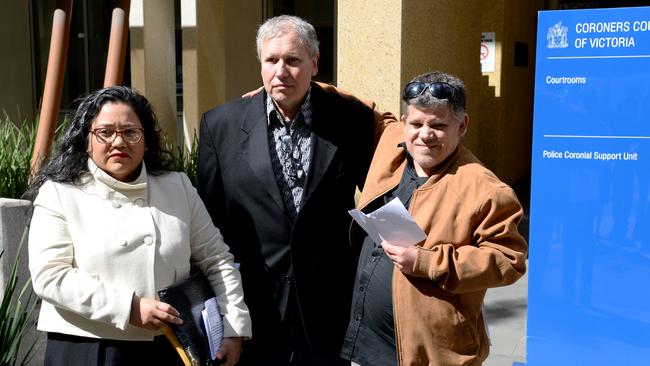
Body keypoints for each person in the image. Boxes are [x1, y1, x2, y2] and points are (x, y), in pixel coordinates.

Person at [197, 15, 381, 365]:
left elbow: (377, 193)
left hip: (328, 307)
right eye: (272, 60)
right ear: (261, 64)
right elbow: (209, 226)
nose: (281, 70)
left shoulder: (351, 119)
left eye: (293, 60)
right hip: (253, 306)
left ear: (314, 62)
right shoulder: (220, 125)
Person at [26, 86, 251, 366]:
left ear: (146, 141)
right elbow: (50, 276)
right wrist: (130, 308)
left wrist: (234, 328)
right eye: (105, 132)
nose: (118, 142)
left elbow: (217, 260)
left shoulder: (177, 186)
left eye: (130, 132)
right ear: (86, 140)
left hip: (171, 346)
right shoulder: (59, 193)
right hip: (87, 347)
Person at [341, 71, 528, 366]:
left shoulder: (487, 190)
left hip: (432, 354)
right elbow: (365, 108)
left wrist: (427, 262)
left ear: (462, 124)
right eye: (416, 123)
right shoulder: (391, 142)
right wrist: (286, 86)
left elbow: (509, 261)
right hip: (365, 344)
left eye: (438, 125)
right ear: (404, 123)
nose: (425, 134)